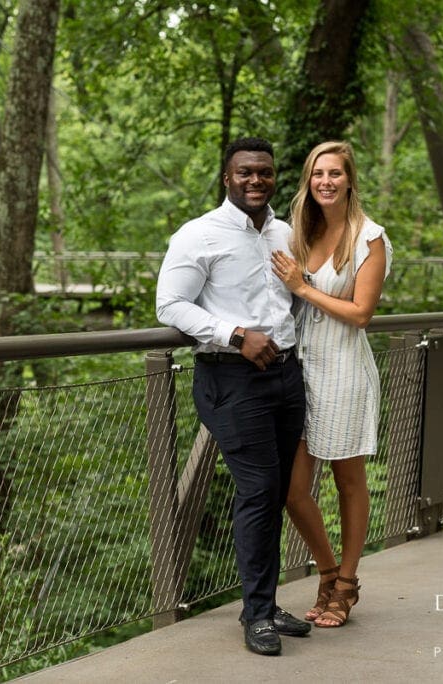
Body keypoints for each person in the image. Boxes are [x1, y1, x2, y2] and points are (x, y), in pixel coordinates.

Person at [156, 137, 311, 656]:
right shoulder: (197, 235)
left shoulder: (286, 233)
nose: (255, 181)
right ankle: (259, 614)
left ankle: (260, 604)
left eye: (264, 173)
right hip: (231, 377)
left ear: (273, 177)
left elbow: (297, 301)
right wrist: (236, 334)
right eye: (244, 173)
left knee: (275, 489)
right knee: (259, 489)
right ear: (227, 178)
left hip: (286, 378)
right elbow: (170, 304)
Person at [270, 140, 392, 628]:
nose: (326, 181)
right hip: (300, 370)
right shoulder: (300, 231)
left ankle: (346, 584)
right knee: (293, 490)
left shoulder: (369, 238)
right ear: (308, 179)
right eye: (318, 173)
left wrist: (303, 287)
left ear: (349, 179)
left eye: (335, 173)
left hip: (343, 371)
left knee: (348, 481)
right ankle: (326, 571)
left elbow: (361, 314)